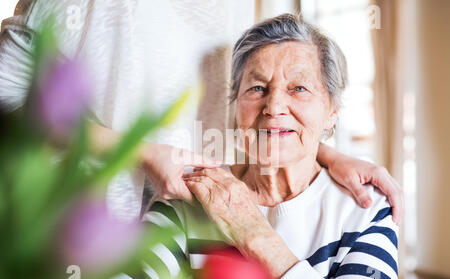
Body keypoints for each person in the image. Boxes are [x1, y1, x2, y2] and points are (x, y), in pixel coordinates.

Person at [0, 1, 404, 223]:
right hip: (73, 238)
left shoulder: (232, 7)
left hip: (188, 238)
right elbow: (9, 99)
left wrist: (325, 152)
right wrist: (142, 152)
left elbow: (247, 111)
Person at [102, 14, 399, 279]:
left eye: (298, 88)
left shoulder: (364, 209)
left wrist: (254, 235)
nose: (274, 106)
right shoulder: (192, 194)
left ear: (332, 112)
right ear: (235, 106)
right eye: (257, 88)